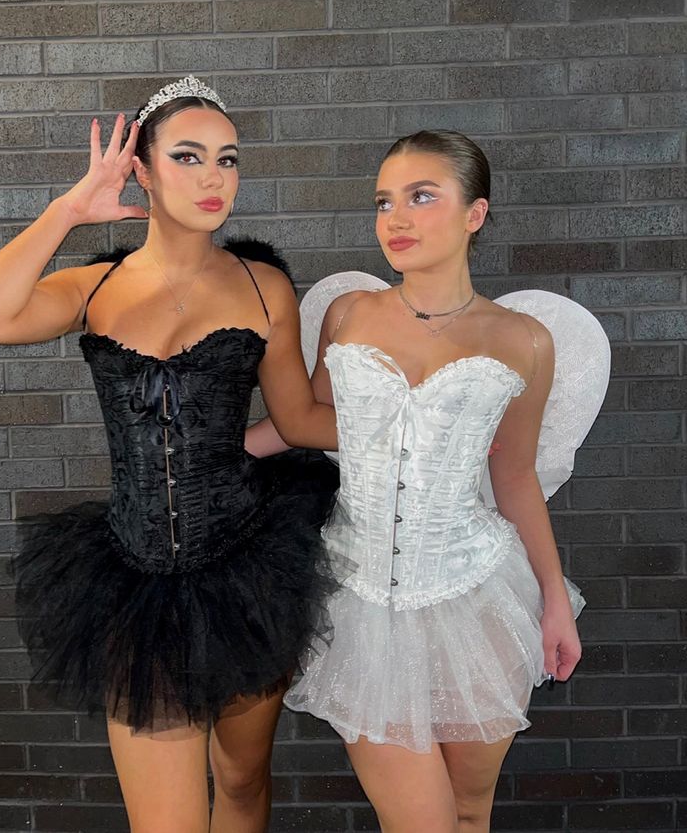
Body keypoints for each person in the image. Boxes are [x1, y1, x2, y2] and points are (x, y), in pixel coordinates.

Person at [0, 76, 340, 833]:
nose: (212, 178)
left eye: (227, 160)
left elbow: (296, 420)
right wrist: (70, 207)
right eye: (189, 156)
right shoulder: (96, 285)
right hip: (135, 584)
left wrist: (412, 410)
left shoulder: (264, 288)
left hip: (247, 568)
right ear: (143, 169)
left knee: (240, 784)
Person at [249, 130, 591, 833]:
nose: (394, 219)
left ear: (475, 213)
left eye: (421, 196)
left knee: (471, 813)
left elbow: (516, 475)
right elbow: (309, 423)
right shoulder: (348, 315)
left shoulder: (522, 338)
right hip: (361, 605)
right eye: (384, 201)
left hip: (477, 598)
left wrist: (554, 599)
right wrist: (208, 452)